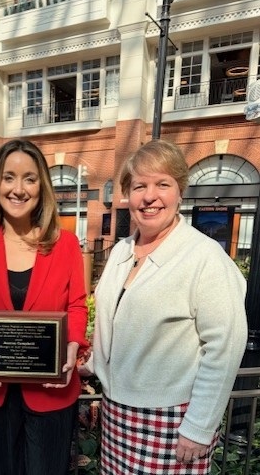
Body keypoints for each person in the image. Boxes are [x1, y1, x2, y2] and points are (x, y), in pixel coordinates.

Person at [84, 139, 248, 474]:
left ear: (179, 192)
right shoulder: (120, 252)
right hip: (117, 413)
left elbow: (225, 346)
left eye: (163, 184)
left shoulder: (204, 257)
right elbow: (114, 323)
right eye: (139, 185)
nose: (149, 196)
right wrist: (90, 364)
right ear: (128, 195)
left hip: (175, 421)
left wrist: (200, 426)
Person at [0, 139, 89, 475]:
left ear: (41, 186)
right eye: (9, 177)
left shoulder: (66, 244)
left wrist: (72, 347)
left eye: (29, 178)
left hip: (50, 391)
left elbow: (76, 305)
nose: (19, 189)